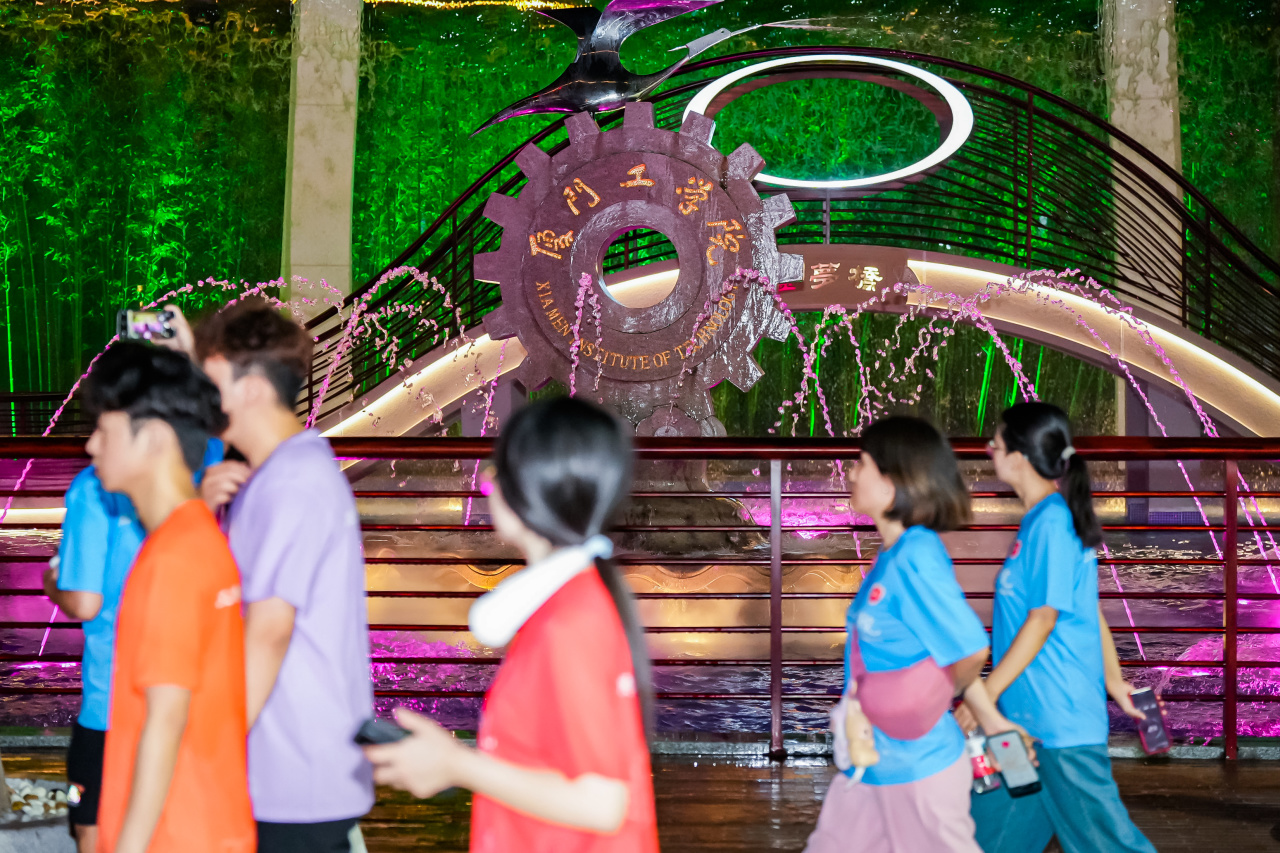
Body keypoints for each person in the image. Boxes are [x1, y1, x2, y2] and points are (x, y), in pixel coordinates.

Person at [364, 398, 658, 853]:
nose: (487, 485)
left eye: (495, 472)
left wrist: (456, 765)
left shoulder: (571, 622)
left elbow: (603, 803)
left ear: (529, 488)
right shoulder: (571, 603)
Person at [180, 301, 374, 852]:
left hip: (292, 776)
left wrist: (201, 749)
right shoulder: (279, 474)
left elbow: (267, 632)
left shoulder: (291, 482)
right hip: (285, 769)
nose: (200, 395)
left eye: (211, 381)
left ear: (251, 389)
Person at [805, 416, 1021, 853]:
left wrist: (924, 704)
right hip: (871, 765)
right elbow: (946, 651)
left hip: (917, 771)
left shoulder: (916, 554)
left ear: (892, 483)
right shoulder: (892, 556)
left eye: (862, 463)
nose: (851, 474)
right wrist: (992, 720)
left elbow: (969, 649)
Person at [959, 402, 1157, 853]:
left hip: (1058, 728)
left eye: (995, 443)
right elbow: (1087, 611)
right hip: (1021, 730)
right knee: (987, 839)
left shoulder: (1052, 521)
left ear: (1019, 456)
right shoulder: (1042, 520)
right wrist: (1114, 681)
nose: (988, 450)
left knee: (1109, 845)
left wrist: (984, 694)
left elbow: (1044, 618)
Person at [83, 341, 253, 853]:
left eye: (104, 429)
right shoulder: (201, 537)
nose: (91, 446)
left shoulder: (170, 559)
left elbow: (166, 716)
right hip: (211, 823)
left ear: (153, 438)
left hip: (172, 837)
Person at [45, 442, 221, 853]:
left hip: (108, 704)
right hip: (193, 699)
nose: (91, 444)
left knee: (90, 823)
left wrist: (52, 577)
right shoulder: (210, 459)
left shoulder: (93, 487)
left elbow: (84, 602)